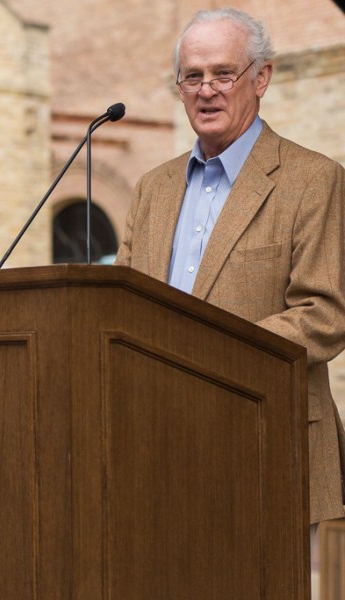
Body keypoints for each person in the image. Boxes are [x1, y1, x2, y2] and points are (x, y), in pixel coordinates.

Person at [116, 4, 345, 553]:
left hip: (271, 449)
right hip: (158, 455)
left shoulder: (313, 180)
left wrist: (208, 354)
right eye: (192, 77)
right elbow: (117, 309)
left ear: (261, 78)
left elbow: (325, 314)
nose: (207, 90)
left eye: (223, 74)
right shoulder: (152, 188)